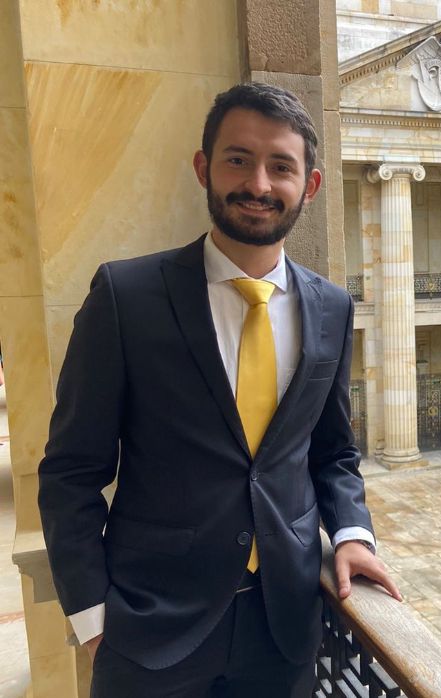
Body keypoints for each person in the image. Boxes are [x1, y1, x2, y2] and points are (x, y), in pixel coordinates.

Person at [38, 82, 400, 698]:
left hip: (284, 627)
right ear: (204, 168)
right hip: (148, 631)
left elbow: (333, 452)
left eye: (281, 166)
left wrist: (352, 534)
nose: (259, 184)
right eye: (238, 159)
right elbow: (71, 471)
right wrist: (93, 617)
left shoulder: (333, 308)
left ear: (310, 185)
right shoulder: (127, 297)